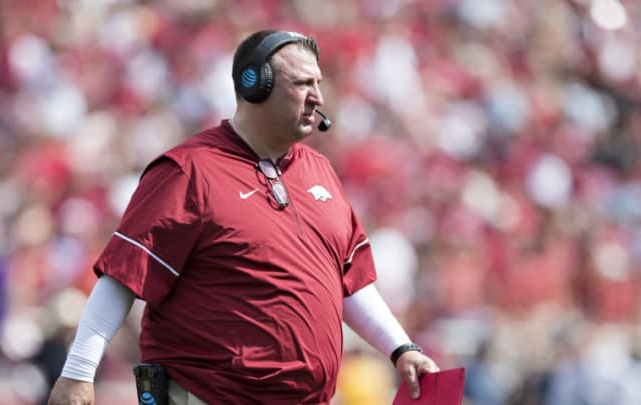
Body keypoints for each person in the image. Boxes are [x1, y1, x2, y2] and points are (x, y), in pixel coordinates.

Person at [47, 29, 439, 405]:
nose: (318, 97)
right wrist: (79, 371)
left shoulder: (319, 171)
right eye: (303, 83)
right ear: (256, 85)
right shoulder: (190, 170)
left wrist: (400, 347)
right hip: (209, 395)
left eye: (318, 83)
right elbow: (124, 275)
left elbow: (348, 280)